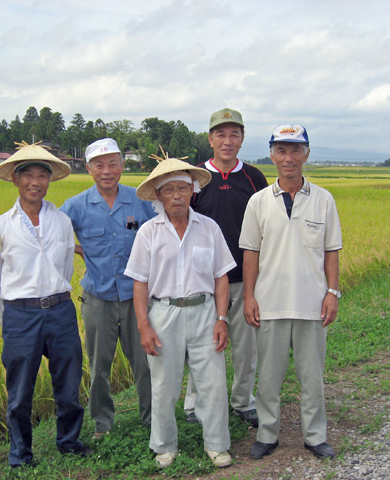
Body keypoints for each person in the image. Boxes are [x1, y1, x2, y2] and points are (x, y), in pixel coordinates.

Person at [124, 152, 235, 469]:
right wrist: (144, 326)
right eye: (169, 190)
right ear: (158, 195)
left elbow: (221, 277)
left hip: (204, 312)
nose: (176, 196)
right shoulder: (148, 232)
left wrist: (222, 319)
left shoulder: (209, 228)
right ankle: (163, 446)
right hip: (164, 314)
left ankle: (216, 444)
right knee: (164, 385)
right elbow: (140, 284)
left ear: (192, 191)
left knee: (213, 383)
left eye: (182, 189)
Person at [239, 125, 342, 460]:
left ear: (307, 154)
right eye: (281, 150)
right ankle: (268, 434)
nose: (289, 158)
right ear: (271, 155)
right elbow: (250, 252)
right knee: (268, 378)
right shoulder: (258, 202)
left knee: (312, 377)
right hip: (270, 303)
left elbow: (331, 251)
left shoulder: (324, 200)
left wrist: (332, 292)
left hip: (313, 304)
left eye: (295, 150)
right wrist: (250, 297)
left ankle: (315, 437)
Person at [0, 142, 89, 467]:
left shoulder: (61, 222)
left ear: (49, 180)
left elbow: (66, 270)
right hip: (20, 314)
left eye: (41, 175)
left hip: (60, 310)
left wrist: (56, 299)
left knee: (69, 385)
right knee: (19, 393)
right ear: (15, 180)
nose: (35, 182)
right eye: (27, 175)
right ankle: (20, 454)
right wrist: (9, 320)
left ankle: (69, 441)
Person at [60, 138, 154, 438]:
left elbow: (161, 232)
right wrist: (81, 250)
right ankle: (102, 422)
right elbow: (52, 233)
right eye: (99, 165)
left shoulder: (140, 200)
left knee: (144, 362)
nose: (107, 170)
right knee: (99, 364)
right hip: (97, 296)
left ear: (122, 166)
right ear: (89, 169)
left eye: (113, 163)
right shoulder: (75, 206)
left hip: (135, 297)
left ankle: (152, 417)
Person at [184, 108, 268, 428]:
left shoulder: (253, 177)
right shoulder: (195, 177)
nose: (227, 141)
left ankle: (243, 401)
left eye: (234, 134)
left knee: (246, 347)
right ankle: (195, 405)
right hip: (204, 281)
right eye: (221, 134)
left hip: (245, 279)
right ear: (210, 139)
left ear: (243, 139)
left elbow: (266, 225)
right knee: (204, 346)